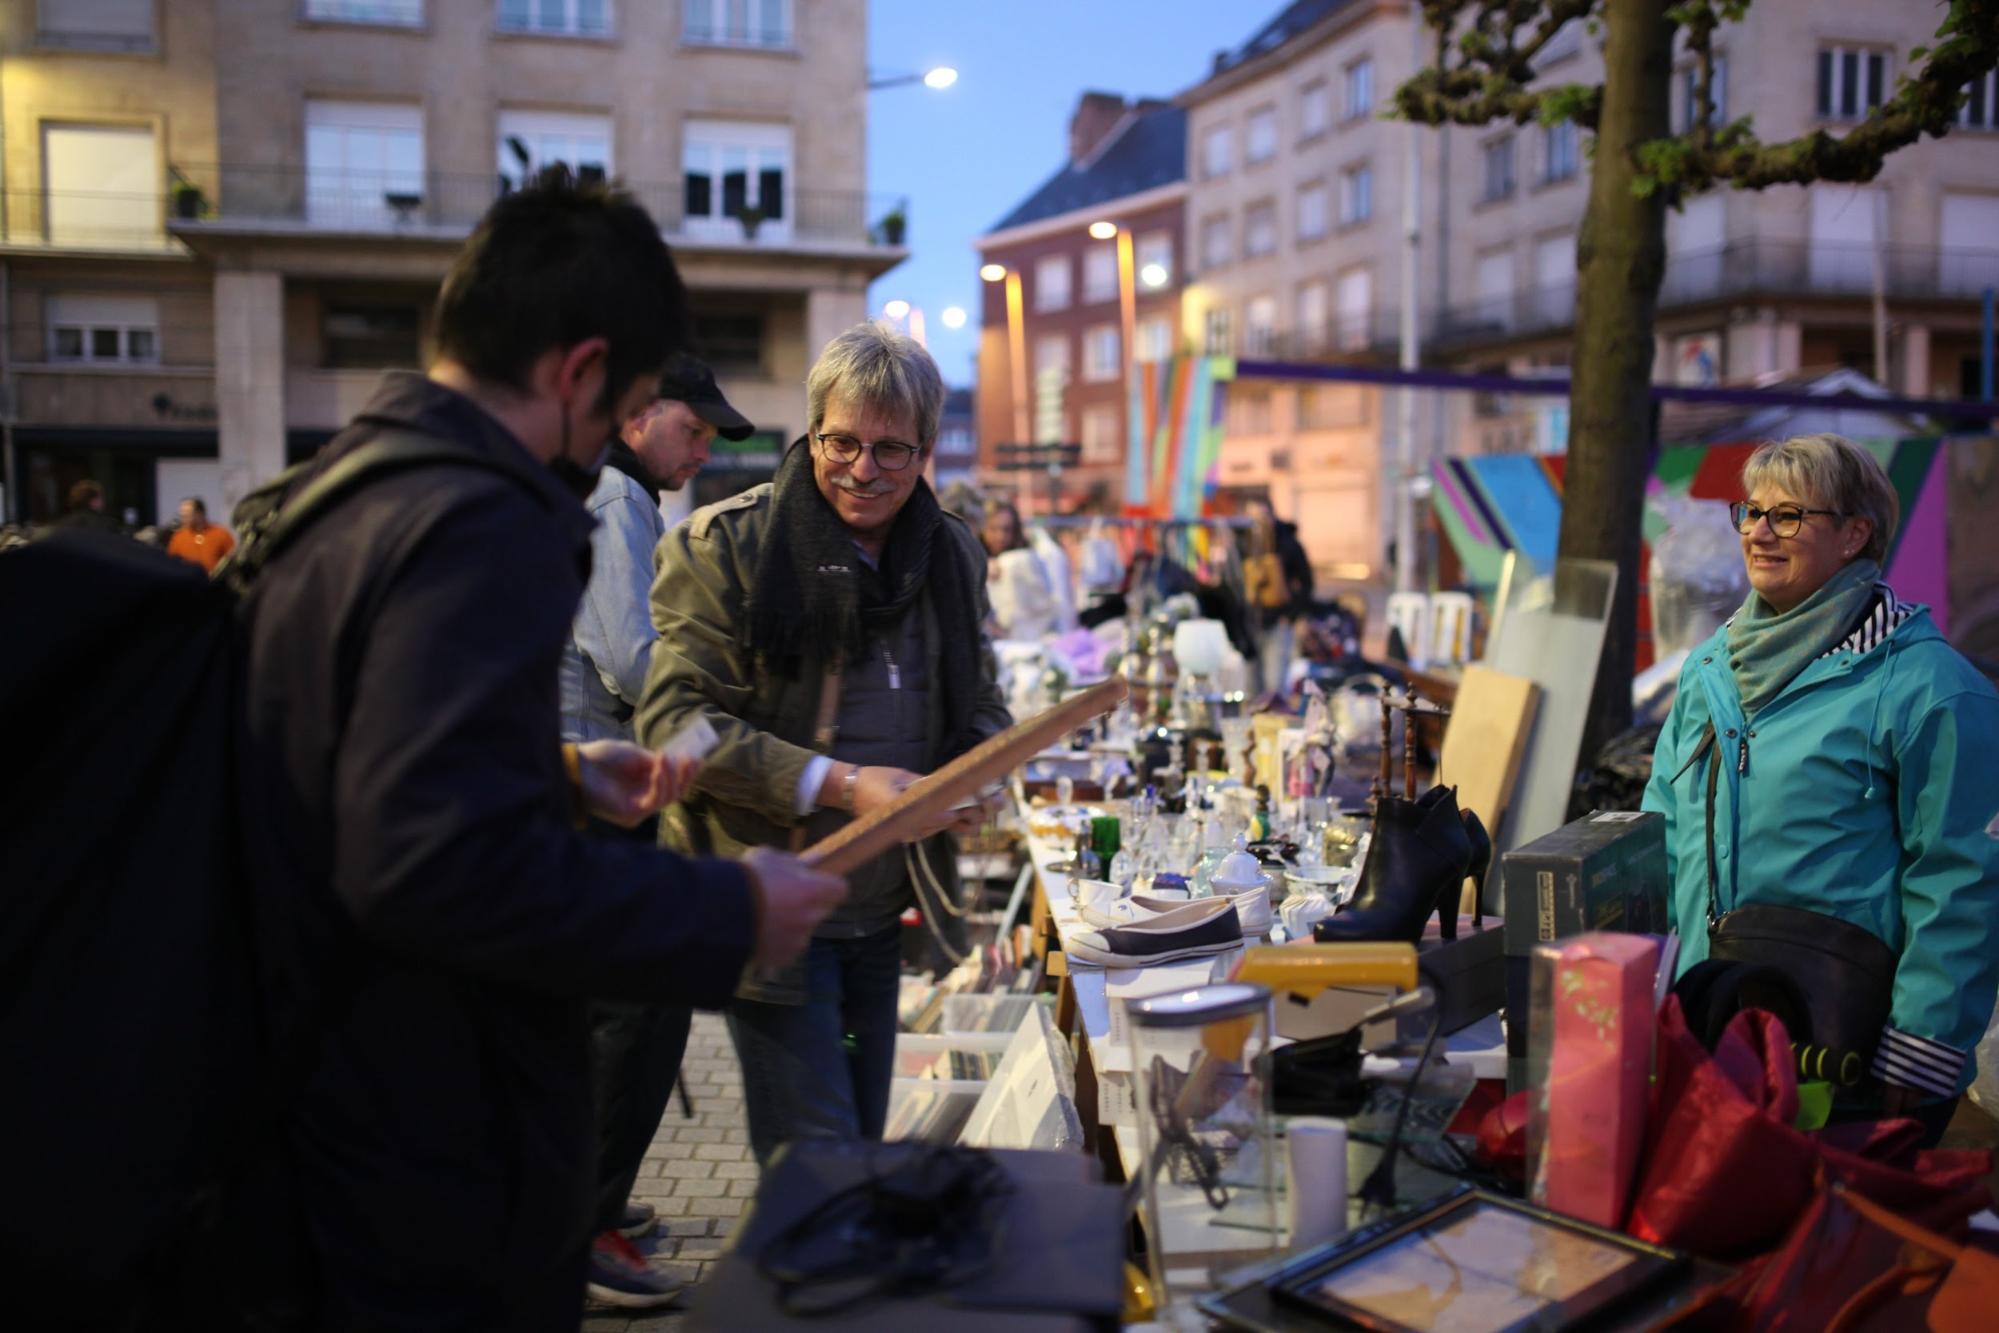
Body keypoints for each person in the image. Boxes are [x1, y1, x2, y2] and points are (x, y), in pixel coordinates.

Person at [231, 174, 847, 1329]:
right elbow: (427, 866)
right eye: (620, 400)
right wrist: (722, 910)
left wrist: (555, 778)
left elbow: (332, 777)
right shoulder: (487, 517)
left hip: (302, 1110)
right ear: (580, 374)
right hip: (411, 1137)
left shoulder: (337, 486)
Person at [637, 322, 1012, 1168]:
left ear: (925, 454)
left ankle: (814, 1282)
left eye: (891, 449)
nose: (862, 468)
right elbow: (674, 722)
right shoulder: (725, 547)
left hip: (883, 908)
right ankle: (792, 1292)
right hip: (771, 904)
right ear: (810, 432)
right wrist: (841, 784)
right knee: (814, 1160)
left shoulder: (950, 553)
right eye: (840, 441)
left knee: (857, 1145)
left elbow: (979, 692)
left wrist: (979, 766)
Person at [1643, 433, 1999, 1142]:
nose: (1758, 532)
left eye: (1788, 515)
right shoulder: (1711, 668)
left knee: (1835, 1244)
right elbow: (1663, 830)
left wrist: (1919, 1050)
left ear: (1853, 535)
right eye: (1750, 512)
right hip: (1713, 1022)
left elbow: (1962, 877)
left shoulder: (1930, 688)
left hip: (1851, 1051)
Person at [556, 352, 753, 1309]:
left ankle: (594, 1203)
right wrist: (730, 730)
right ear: (637, 414)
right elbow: (634, 659)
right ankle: (583, 1227)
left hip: (589, 789)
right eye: (695, 426)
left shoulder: (615, 493)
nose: (705, 446)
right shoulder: (614, 498)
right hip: (600, 793)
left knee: (614, 1013)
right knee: (637, 1012)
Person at [1244, 496, 1313, 698]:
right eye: (1252, 516)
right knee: (1251, 686)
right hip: (1250, 624)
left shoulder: (1288, 543)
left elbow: (1306, 583)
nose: (1257, 522)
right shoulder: (1245, 543)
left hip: (1278, 622)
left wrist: (1291, 616)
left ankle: (1274, 725)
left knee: (1275, 686)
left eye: (1261, 515)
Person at [166, 496, 234, 573]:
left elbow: (232, 560)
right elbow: (171, 564)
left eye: (187, 515)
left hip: (215, 583)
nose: (183, 518)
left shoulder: (221, 534)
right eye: (182, 515)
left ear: (199, 514)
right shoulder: (178, 537)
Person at [53, 478, 123, 534]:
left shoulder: (60, 525)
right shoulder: (108, 525)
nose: (103, 502)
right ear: (93, 501)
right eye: (101, 498)